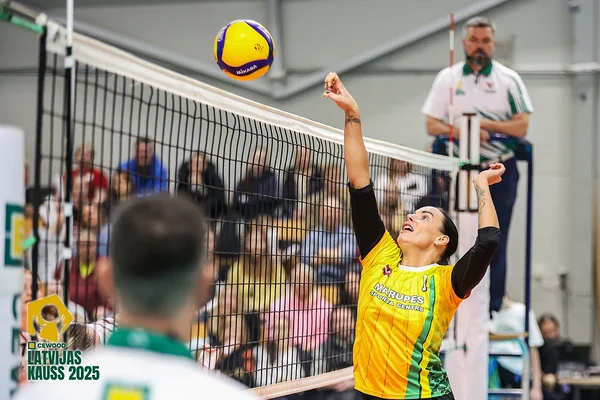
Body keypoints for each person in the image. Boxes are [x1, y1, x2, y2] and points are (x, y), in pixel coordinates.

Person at [323, 71, 503, 399]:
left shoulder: (446, 282)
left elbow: (488, 240)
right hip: (368, 393)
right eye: (415, 213)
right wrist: (352, 114)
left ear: (441, 240)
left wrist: (480, 185)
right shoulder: (380, 254)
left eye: (424, 217)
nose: (412, 216)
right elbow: (359, 182)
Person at [15, 194, 259, 400]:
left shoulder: (41, 394)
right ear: (204, 286)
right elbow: (85, 335)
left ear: (105, 278)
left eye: (30, 285)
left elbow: (83, 336)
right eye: (23, 286)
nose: (27, 291)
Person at [421, 16, 534, 314]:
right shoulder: (447, 78)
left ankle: (493, 307)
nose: (479, 46)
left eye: (485, 41)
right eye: (474, 40)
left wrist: (482, 124)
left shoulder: (508, 80)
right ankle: (447, 303)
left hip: (498, 172)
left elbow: (521, 126)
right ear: (464, 43)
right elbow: (432, 124)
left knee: (494, 238)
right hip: (458, 172)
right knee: (449, 236)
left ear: (493, 44)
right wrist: (462, 131)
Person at [488, 296, 544, 400]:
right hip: (493, 372)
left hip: (518, 372)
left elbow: (533, 349)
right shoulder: (486, 314)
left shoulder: (522, 311)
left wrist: (536, 387)